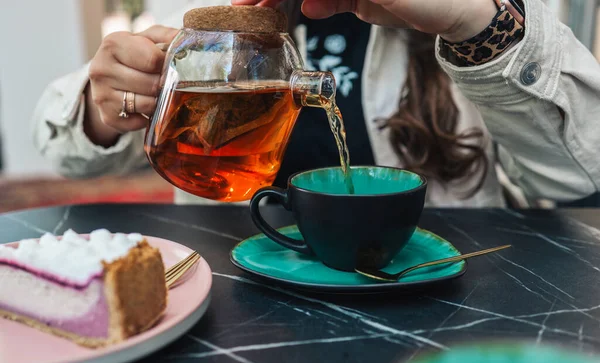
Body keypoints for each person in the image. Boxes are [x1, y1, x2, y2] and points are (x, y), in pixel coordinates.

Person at [31, 0, 600, 208]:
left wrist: (480, 25)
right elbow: (67, 156)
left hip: (432, 295)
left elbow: (580, 180)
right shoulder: (210, 23)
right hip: (239, 297)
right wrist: (101, 106)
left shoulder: (462, 24)